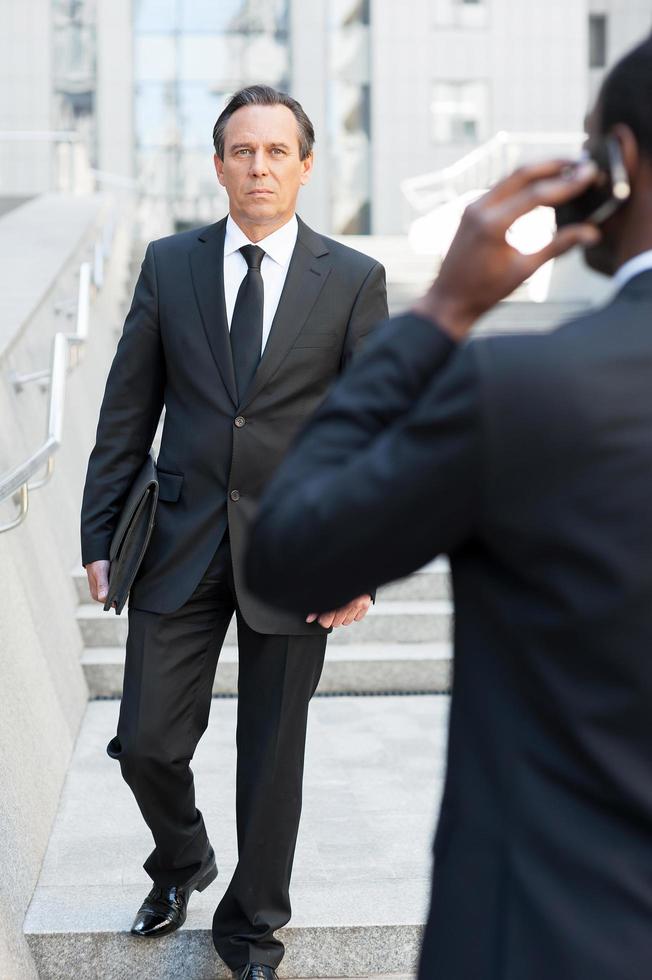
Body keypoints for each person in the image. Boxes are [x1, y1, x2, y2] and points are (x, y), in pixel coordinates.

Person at [246, 38, 652, 980]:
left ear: (617, 164)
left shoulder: (528, 389)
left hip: (553, 939)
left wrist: (439, 317)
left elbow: (294, 550)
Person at [80, 85, 387, 980]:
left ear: (306, 165)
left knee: (272, 759)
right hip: (177, 542)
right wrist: (101, 535)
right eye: (242, 152)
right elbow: (126, 409)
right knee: (146, 742)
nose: (259, 167)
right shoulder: (170, 264)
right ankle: (182, 859)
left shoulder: (354, 278)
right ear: (217, 166)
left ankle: (252, 933)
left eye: (276, 152)